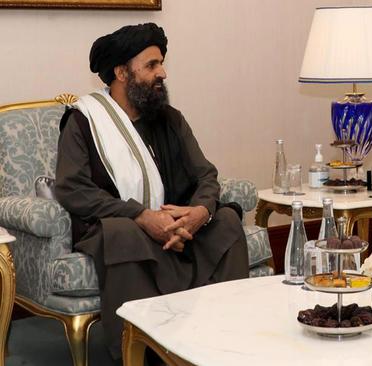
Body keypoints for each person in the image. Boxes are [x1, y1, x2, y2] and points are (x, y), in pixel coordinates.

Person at [55, 23, 249, 359]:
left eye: (161, 63)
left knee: (228, 220)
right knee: (122, 235)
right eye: (151, 65)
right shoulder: (84, 122)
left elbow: (206, 175)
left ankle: (223, 338)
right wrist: (141, 216)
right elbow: (72, 189)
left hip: (179, 226)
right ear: (121, 72)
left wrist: (200, 212)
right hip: (122, 222)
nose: (162, 73)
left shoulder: (170, 119)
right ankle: (142, 351)